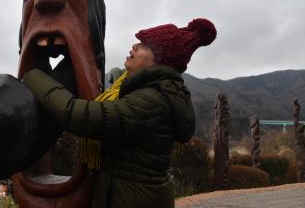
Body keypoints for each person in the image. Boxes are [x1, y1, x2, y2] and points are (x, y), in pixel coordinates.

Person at [23, 18, 217, 208]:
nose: (134, 46)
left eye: (144, 45)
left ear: (160, 60)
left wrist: (33, 75)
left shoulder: (151, 102)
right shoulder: (143, 91)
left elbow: (78, 115)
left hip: (134, 198)